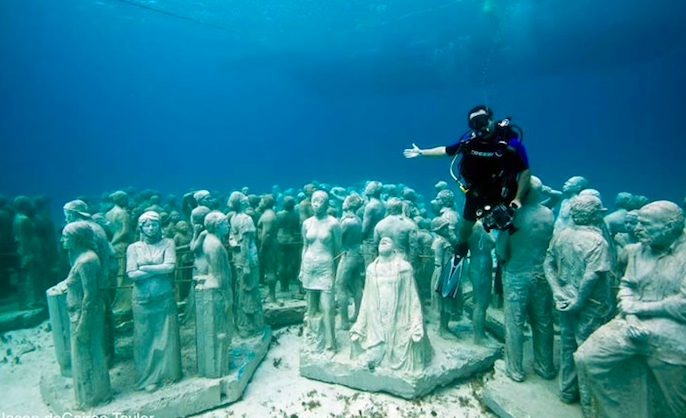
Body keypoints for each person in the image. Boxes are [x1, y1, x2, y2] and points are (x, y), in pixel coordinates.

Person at [404, 105, 531, 261]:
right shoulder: (469, 141)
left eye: (482, 120)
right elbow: (446, 150)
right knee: (465, 226)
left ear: (491, 119)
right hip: (476, 191)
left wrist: (517, 198)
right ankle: (462, 245)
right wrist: (421, 152)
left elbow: (525, 171)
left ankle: (507, 254)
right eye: (474, 123)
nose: (479, 126)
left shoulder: (511, 143)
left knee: (507, 225)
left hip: (502, 190)